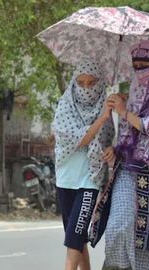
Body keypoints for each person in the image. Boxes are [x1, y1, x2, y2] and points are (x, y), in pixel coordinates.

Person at [89, 39, 149, 270]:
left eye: (146, 65)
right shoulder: (134, 89)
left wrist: (125, 113)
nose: (140, 70)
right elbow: (126, 132)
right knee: (118, 225)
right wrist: (116, 147)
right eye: (136, 65)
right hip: (128, 168)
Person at [53, 60, 115, 270]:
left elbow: (108, 140)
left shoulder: (105, 106)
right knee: (76, 237)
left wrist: (111, 149)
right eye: (81, 83)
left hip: (90, 179)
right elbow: (81, 139)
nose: (86, 88)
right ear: (74, 82)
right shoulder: (64, 106)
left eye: (92, 82)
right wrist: (103, 117)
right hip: (65, 178)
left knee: (75, 235)